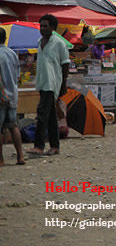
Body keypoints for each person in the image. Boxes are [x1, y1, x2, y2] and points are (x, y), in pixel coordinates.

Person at [27, 14, 70, 156]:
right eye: (41, 26)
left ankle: (39, 145)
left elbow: (65, 64)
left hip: (52, 83)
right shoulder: (40, 42)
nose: (42, 28)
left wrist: (63, 84)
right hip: (42, 82)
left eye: (45, 26)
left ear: (52, 27)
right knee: (51, 116)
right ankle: (55, 145)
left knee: (42, 113)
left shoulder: (58, 43)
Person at [0, 28, 25, 166]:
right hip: (13, 94)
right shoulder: (12, 54)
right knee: (13, 126)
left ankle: (1, 159)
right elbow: (17, 75)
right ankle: (20, 156)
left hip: (1, 96)